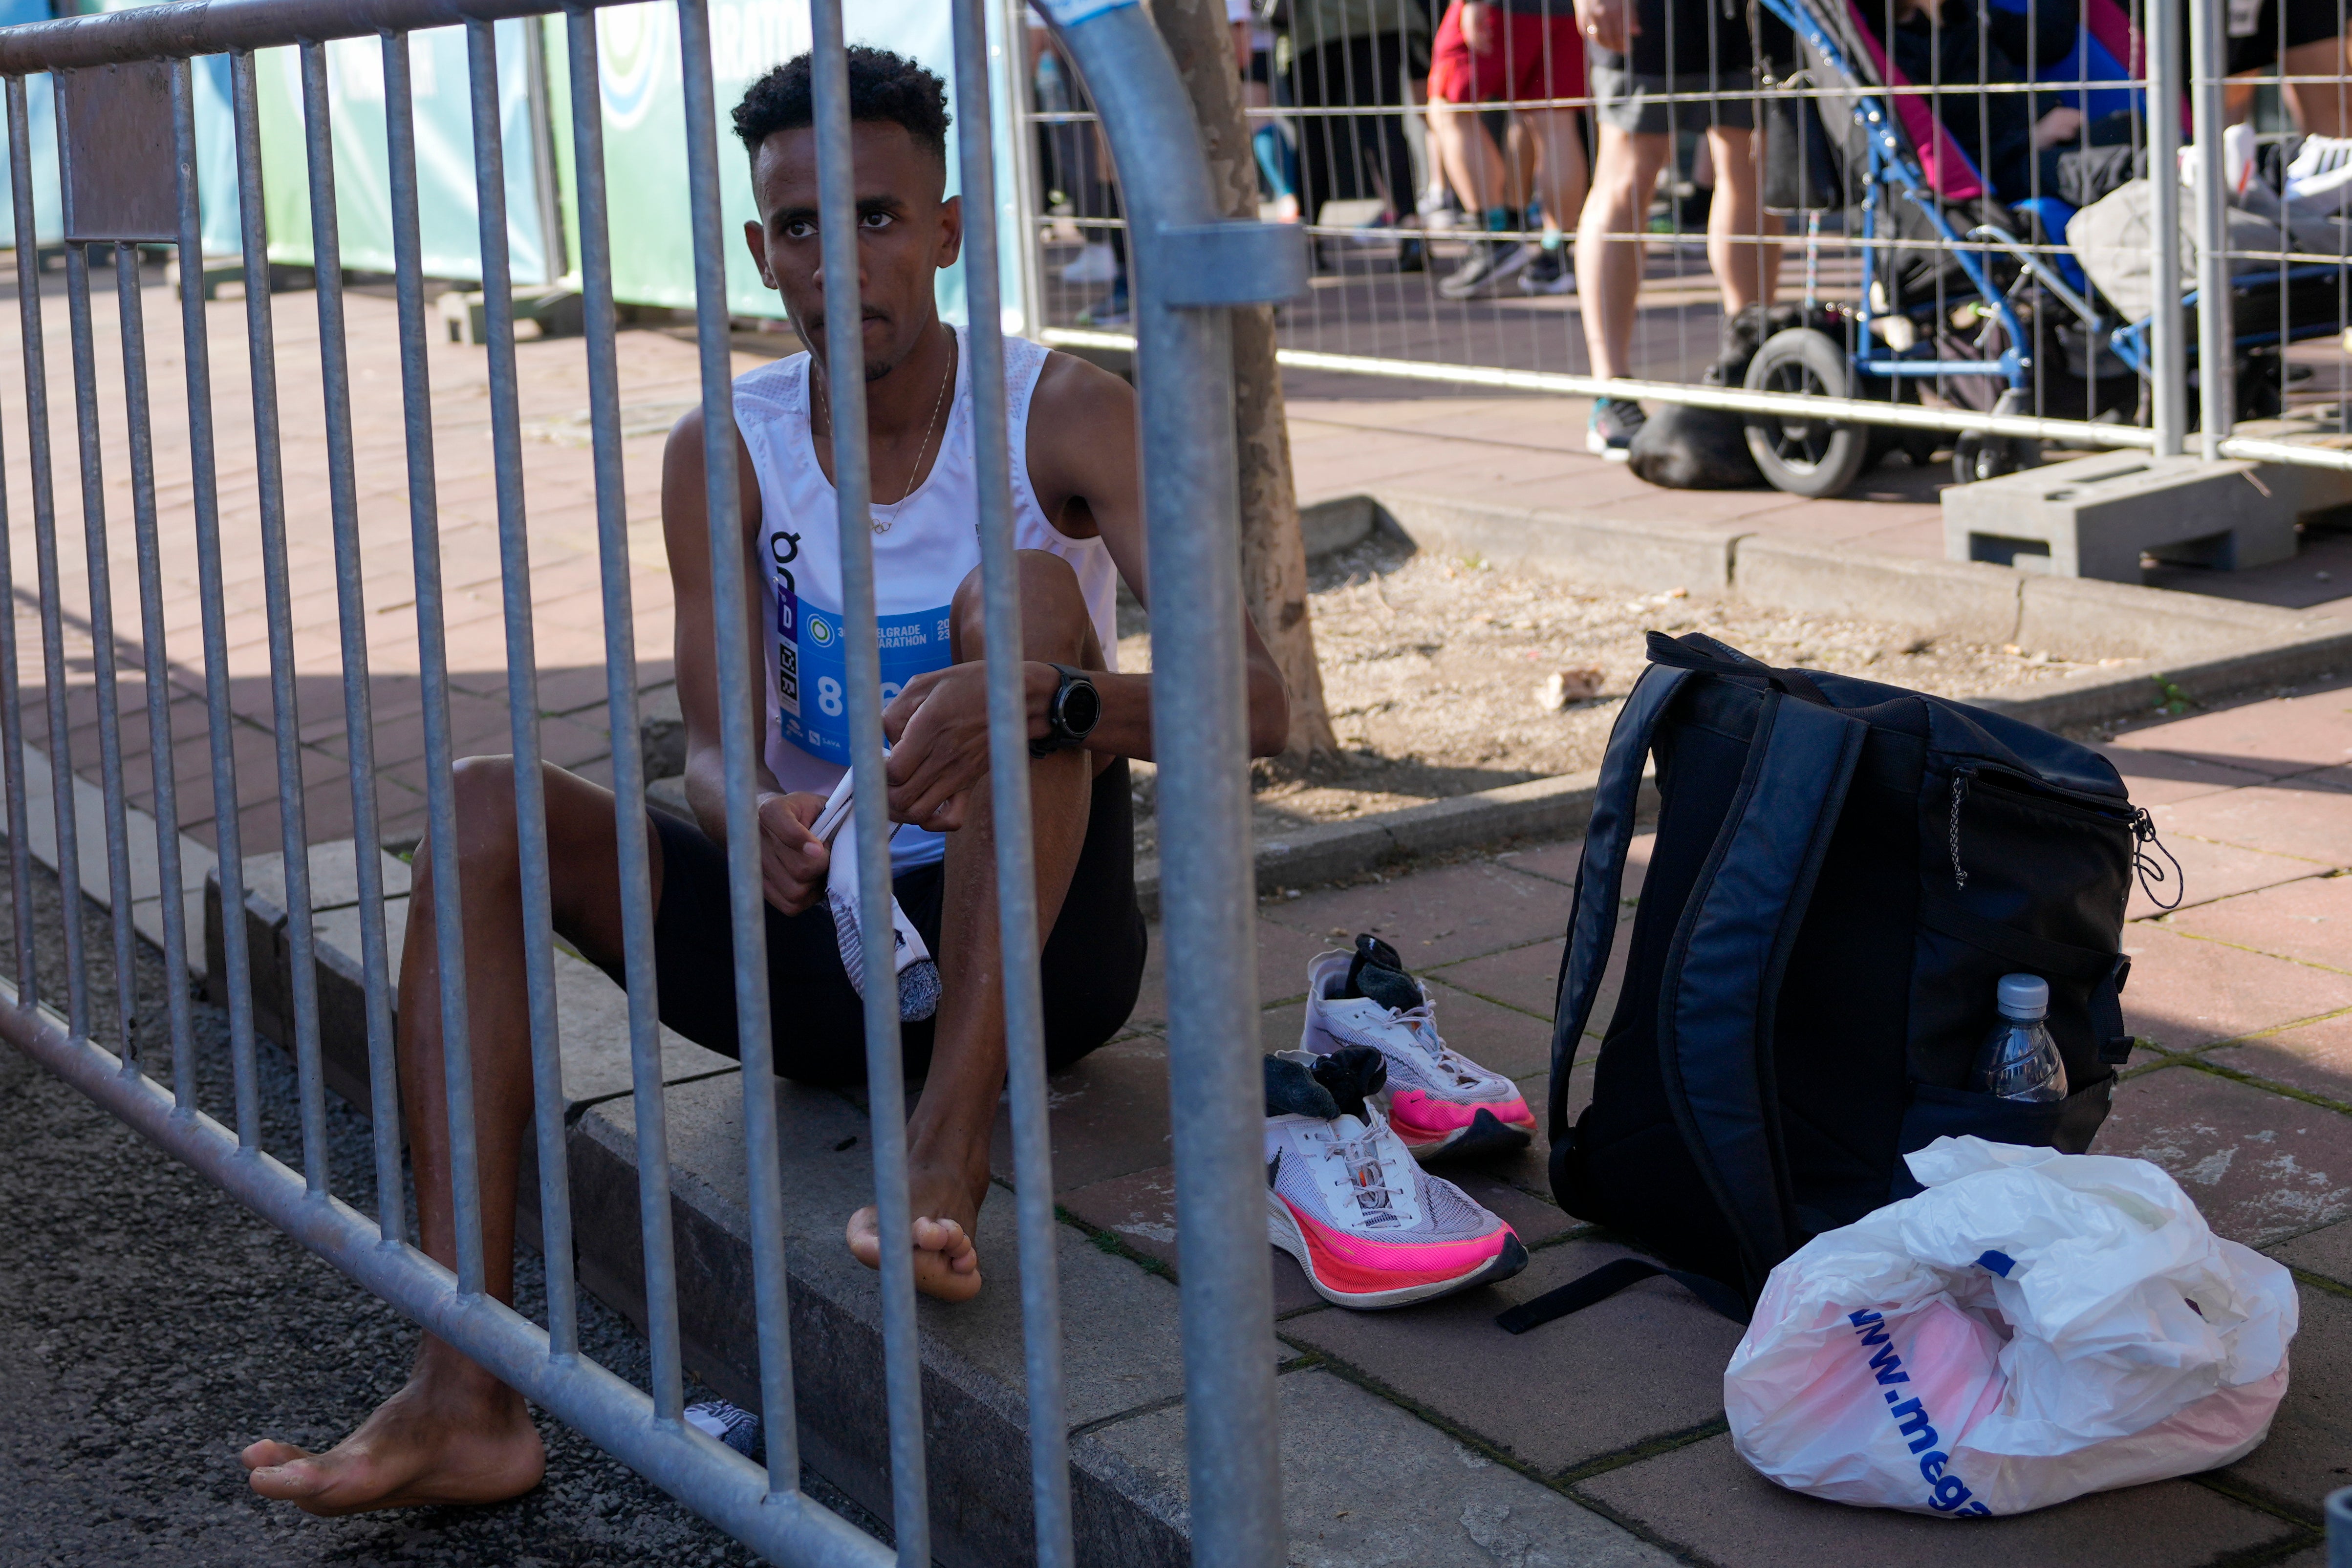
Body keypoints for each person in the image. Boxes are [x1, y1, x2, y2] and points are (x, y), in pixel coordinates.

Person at [236, 46, 1291, 1515]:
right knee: (482, 803)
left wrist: (1036, 698)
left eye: (874, 217)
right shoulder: (719, 446)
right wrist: (745, 815)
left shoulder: (1062, 412)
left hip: (1045, 940)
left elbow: (1259, 702)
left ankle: (945, 1155)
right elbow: (717, 745)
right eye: (799, 227)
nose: (834, 259)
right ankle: (458, 1386)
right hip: (824, 951)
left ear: (946, 231)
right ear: (756, 248)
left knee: (1027, 613)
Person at [1572, 0, 1785, 457]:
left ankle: (1748, 364)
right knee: (1628, 172)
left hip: (1752, 14)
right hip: (1648, 13)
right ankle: (1612, 391)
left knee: (1753, 164)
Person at [1427, 0, 1591, 297]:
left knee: (1448, 109)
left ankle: (1494, 237)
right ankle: (1554, 258)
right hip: (1568, 10)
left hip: (1503, 9)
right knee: (1555, 120)